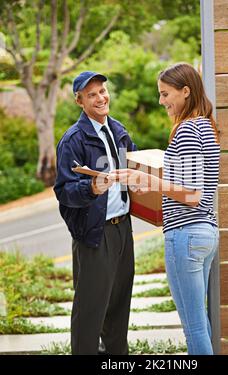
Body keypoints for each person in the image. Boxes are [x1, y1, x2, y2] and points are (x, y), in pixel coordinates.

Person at [113, 63, 220, 355]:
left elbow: (193, 194)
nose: (161, 101)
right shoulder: (206, 126)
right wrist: (157, 184)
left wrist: (145, 178)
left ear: (186, 92)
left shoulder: (186, 129)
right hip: (204, 233)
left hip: (185, 236)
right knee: (200, 323)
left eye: (165, 94)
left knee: (194, 327)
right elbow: (192, 187)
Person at [53, 71, 137, 355]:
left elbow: (134, 170)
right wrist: (91, 188)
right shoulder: (73, 140)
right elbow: (64, 191)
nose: (101, 98)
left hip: (123, 229)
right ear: (80, 101)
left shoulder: (118, 130)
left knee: (118, 307)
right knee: (90, 312)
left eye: (102, 91)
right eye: (92, 95)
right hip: (94, 235)